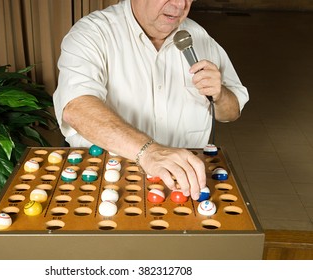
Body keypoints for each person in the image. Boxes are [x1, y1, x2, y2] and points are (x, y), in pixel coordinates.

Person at [53, 0, 249, 200]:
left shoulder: (199, 37)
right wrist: (148, 152)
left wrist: (219, 94)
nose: (180, 4)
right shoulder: (93, 32)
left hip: (183, 185)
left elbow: (231, 112)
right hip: (105, 183)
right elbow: (77, 108)